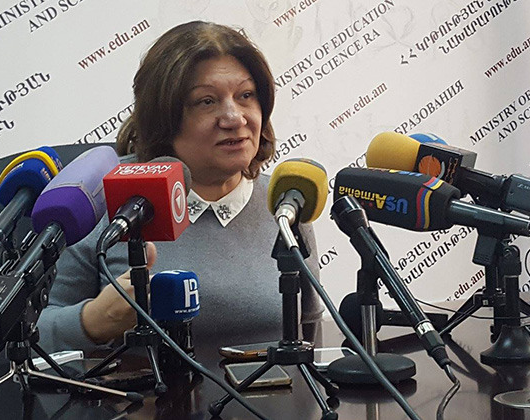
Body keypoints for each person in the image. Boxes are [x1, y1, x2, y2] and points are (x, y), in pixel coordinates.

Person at [37, 20, 322, 354]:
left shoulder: (286, 201)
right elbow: (31, 334)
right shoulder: (100, 199)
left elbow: (310, 332)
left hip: (270, 390)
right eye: (206, 101)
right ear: (164, 117)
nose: (234, 118)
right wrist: (93, 322)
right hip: (138, 389)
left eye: (246, 96)